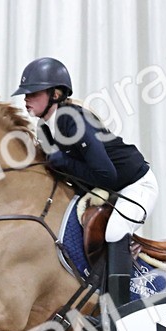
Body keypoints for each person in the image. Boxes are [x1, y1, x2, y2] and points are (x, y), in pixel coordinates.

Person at [13, 57, 158, 244]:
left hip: (135, 186)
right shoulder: (43, 128)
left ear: (55, 94)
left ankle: (128, 274)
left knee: (114, 234)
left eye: (33, 93)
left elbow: (106, 176)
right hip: (103, 190)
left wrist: (64, 162)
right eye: (26, 94)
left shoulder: (75, 120)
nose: (26, 98)